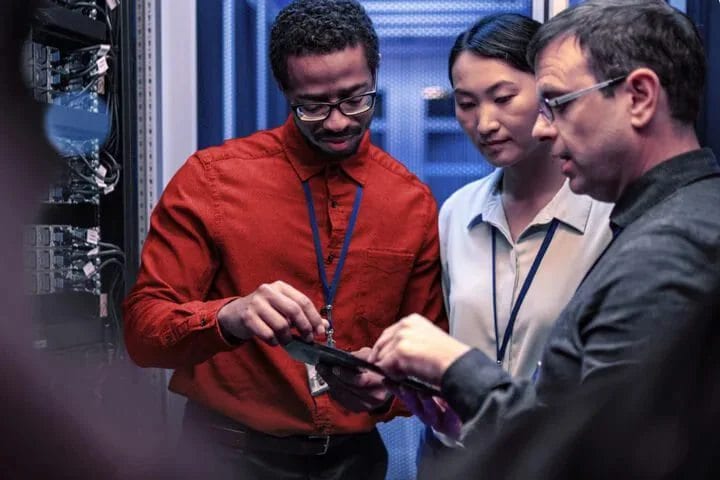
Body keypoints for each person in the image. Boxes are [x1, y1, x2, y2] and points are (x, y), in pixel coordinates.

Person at [364, 0, 720, 474]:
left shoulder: (669, 245)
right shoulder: (661, 220)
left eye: (559, 103)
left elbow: (594, 450)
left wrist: (457, 367)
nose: (543, 127)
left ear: (639, 98)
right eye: (466, 103)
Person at [122, 0, 446, 478]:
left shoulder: (411, 202)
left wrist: (392, 385)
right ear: (284, 90)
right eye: (313, 106)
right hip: (225, 457)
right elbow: (142, 335)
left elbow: (427, 355)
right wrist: (227, 316)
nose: (337, 122)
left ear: (375, 74)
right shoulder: (211, 179)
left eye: (356, 98)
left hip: (353, 462)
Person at [411, 11, 613, 472]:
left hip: (555, 459)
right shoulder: (457, 212)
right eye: (465, 103)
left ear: (548, 92)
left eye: (503, 98)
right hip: (455, 458)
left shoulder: (605, 214)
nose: (484, 123)